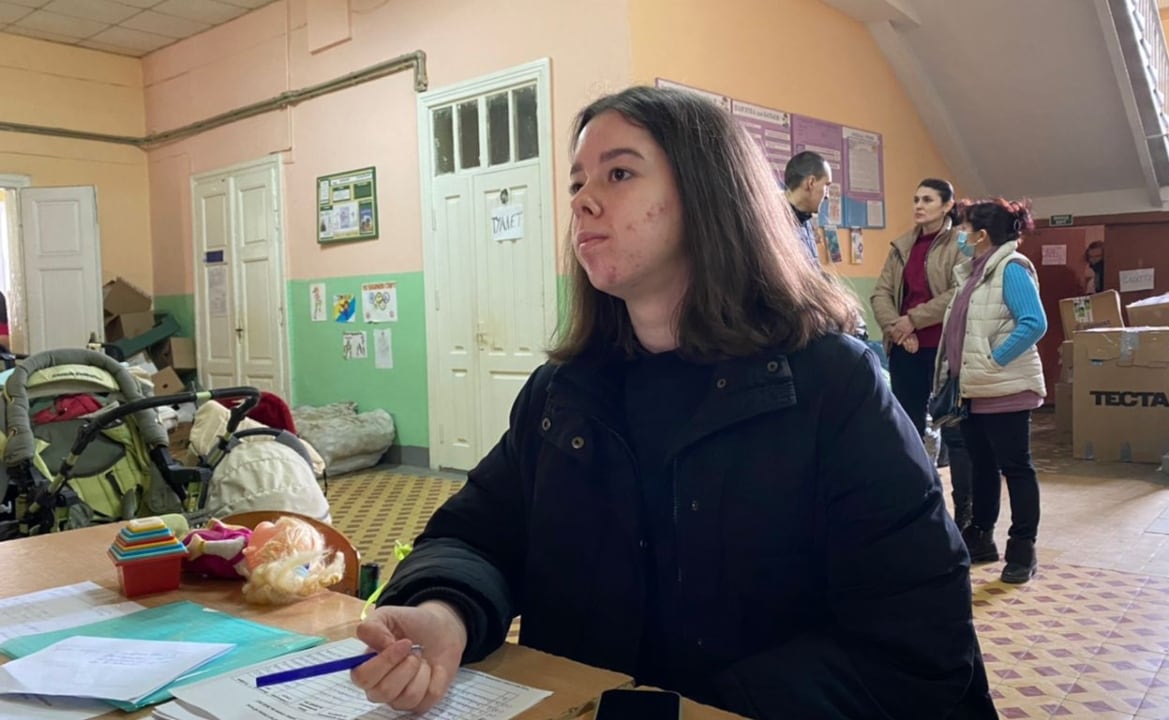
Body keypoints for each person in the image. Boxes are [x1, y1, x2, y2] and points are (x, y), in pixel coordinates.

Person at [352, 86, 997, 719]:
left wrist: (687, 712)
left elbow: (916, 643)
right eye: (577, 182)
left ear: (709, 195)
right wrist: (445, 611)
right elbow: (475, 535)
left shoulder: (833, 384)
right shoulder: (562, 392)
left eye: (618, 173)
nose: (582, 202)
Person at [932, 198, 1048, 585]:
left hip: (1004, 389)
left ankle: (1022, 549)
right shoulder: (973, 273)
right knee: (982, 466)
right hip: (974, 390)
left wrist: (992, 360)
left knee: (1016, 468)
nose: (959, 236)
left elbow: (1034, 323)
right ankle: (981, 537)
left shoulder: (1010, 268)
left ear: (981, 235)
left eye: (964, 230)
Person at [870, 180, 973, 529]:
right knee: (906, 429)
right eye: (916, 199)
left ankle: (965, 515)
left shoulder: (960, 243)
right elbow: (881, 293)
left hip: (945, 348)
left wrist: (913, 319)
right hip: (906, 347)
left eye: (927, 200)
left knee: (955, 432)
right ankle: (915, 505)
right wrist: (898, 329)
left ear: (947, 206)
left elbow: (958, 292)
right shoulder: (902, 245)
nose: (918, 205)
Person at [783, 151, 831, 265]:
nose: (827, 196)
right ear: (811, 183)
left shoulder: (805, 220)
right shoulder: (771, 223)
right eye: (826, 185)